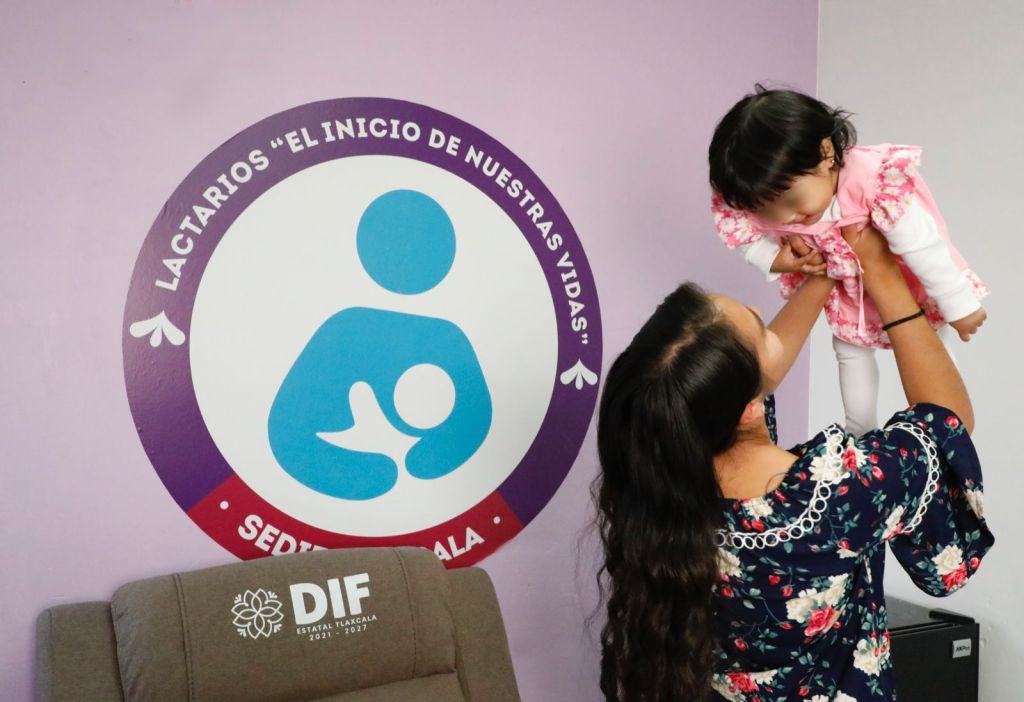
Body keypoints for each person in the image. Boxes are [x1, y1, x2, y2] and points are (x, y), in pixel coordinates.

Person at [594, 222, 994, 701]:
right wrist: (884, 275)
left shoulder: (662, 475)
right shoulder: (836, 491)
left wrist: (823, 275)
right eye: (760, 330)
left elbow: (744, 379)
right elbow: (946, 421)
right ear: (748, 407)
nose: (765, 314)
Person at [708, 85, 989, 435]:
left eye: (792, 202)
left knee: (933, 343)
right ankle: (859, 428)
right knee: (849, 352)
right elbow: (748, 239)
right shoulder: (771, 202)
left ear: (825, 152)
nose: (786, 218)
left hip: (904, 286)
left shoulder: (869, 181)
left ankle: (949, 423)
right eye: (768, 211)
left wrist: (957, 302)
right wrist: (777, 259)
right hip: (847, 294)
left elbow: (922, 243)